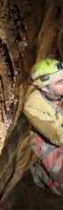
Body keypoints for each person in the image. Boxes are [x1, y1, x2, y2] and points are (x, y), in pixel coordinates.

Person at [24, 57, 63, 196]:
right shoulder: (33, 106)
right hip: (49, 142)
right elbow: (56, 135)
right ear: (45, 88)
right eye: (60, 82)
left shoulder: (59, 92)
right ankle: (41, 173)